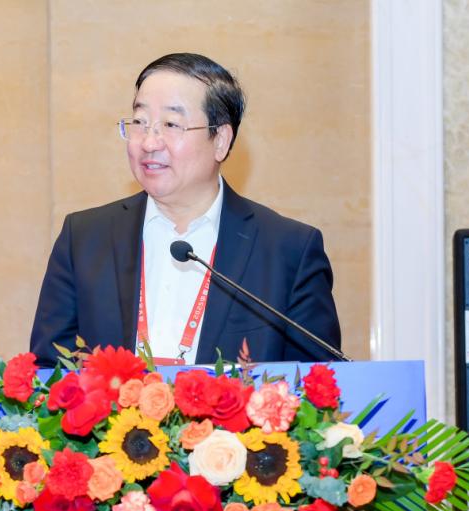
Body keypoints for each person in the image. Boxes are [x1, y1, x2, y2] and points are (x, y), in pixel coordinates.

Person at [30, 53, 341, 366]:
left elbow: (317, 383)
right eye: (140, 122)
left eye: (171, 124)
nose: (149, 142)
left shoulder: (288, 250)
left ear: (220, 140)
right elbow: (49, 371)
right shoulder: (84, 239)